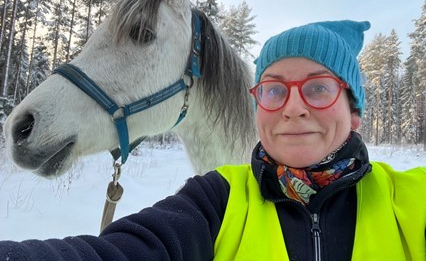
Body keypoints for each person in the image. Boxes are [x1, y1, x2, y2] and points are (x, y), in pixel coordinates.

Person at [1, 20, 425, 260]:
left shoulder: (409, 202)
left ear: (354, 112)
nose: (293, 107)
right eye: (274, 90)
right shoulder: (217, 200)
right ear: (258, 105)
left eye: (318, 88)